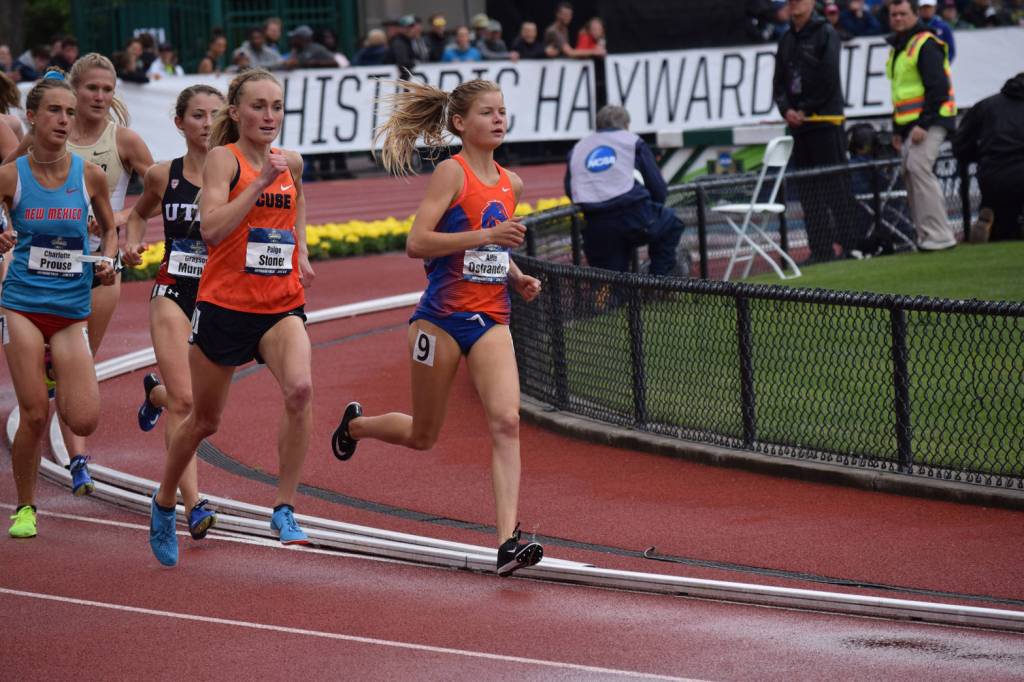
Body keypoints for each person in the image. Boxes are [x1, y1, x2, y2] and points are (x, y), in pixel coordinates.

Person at [334, 79, 545, 577]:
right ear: (459, 124)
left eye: (502, 111)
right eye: (487, 112)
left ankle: (507, 542)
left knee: (507, 422)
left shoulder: (510, 183)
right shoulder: (451, 173)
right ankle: (356, 425)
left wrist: (516, 277)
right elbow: (417, 243)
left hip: (491, 317)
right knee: (424, 434)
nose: (498, 119)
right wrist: (489, 233)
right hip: (441, 320)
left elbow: (493, 249)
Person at [148, 68, 316, 567]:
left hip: (279, 303)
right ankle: (163, 502)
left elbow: (297, 199)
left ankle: (283, 507)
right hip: (224, 306)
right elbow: (213, 229)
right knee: (204, 420)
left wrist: (300, 246)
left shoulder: (293, 162)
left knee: (301, 389)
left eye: (277, 106)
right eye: (259, 106)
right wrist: (259, 181)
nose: (269, 116)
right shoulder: (225, 160)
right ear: (237, 113)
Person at [5, 53, 156, 492]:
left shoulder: (122, 140)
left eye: (108, 90)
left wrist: (124, 220)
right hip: (37, 272)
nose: (100, 97)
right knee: (45, 387)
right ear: (74, 90)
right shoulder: (49, 138)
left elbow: (164, 188)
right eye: (92, 88)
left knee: (81, 372)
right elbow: (8, 178)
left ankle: (76, 449)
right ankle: (74, 457)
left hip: (95, 269)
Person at [0, 69, 118, 538]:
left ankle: (54, 365)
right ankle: (26, 507)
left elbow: (108, 229)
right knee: (33, 413)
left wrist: (108, 261)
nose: (65, 120)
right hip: (23, 303)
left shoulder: (88, 175)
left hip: (71, 308)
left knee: (85, 416)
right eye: (54, 110)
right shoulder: (10, 176)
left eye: (70, 112)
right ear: (31, 117)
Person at [125, 85, 224, 541]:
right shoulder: (164, 175)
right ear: (180, 123)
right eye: (198, 115)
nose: (206, 123)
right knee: (186, 404)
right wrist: (130, 241)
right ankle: (192, 503)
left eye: (215, 115)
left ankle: (154, 395)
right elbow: (138, 214)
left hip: (221, 298)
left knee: (195, 404)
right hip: (173, 290)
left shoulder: (239, 175)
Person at [773, 0, 860, 263]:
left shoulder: (826, 33)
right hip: (799, 127)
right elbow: (778, 82)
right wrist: (786, 109)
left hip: (825, 121)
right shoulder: (786, 39)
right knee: (809, 192)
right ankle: (820, 249)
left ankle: (850, 247)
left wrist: (806, 109)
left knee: (836, 187)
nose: (795, 4)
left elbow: (829, 78)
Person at [565, 105, 685, 275]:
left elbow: (570, 189)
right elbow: (657, 187)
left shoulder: (577, 149)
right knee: (672, 223)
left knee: (610, 280)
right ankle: (658, 281)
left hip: (596, 223)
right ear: (626, 125)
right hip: (634, 215)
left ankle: (610, 300)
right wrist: (653, 209)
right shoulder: (632, 141)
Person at [886, 0, 958, 251]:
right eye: (893, 14)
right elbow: (900, 94)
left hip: (931, 120)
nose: (897, 18)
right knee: (911, 171)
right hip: (911, 124)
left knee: (918, 168)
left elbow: (938, 89)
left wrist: (924, 124)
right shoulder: (900, 47)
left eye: (903, 14)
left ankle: (939, 236)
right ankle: (926, 236)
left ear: (916, 15)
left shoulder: (924, 44)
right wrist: (897, 129)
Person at [952, 72, 1024, 241]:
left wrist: (979, 158)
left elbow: (961, 144)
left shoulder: (985, 106)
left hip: (993, 173)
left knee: (998, 214)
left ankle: (988, 220)